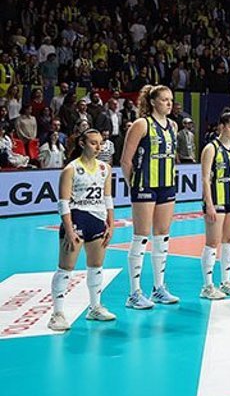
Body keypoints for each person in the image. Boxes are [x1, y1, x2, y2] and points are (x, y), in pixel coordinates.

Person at [47, 129, 116, 331]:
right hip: (77, 218)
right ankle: (57, 314)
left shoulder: (105, 168)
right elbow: (63, 202)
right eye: (93, 143)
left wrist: (111, 223)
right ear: (82, 144)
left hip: (97, 219)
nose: (98, 147)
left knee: (96, 266)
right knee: (65, 268)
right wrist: (69, 230)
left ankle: (95, 307)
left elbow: (107, 198)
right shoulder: (71, 169)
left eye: (100, 143)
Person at [120, 84, 180, 309]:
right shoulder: (141, 124)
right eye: (164, 99)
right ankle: (134, 293)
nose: (169, 103)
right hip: (144, 185)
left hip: (166, 185)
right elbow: (126, 160)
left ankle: (158, 288)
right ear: (153, 102)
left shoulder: (173, 126)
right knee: (141, 236)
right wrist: (134, 186)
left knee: (162, 235)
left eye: (171, 99)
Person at [199, 111, 230, 299]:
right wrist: (209, 204)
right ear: (222, 126)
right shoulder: (211, 148)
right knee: (212, 242)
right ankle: (207, 286)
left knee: (229, 240)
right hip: (217, 199)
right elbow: (205, 178)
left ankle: (226, 281)